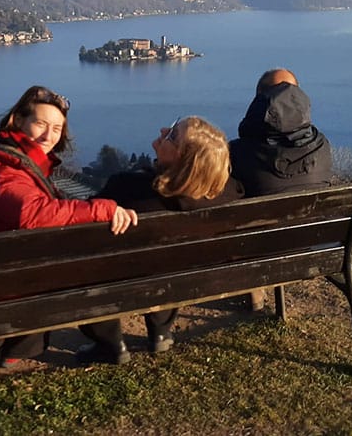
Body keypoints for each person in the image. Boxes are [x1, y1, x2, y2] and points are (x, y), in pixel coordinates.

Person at [0, 85, 138, 372]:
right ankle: (0, 345)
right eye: (41, 124)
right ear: (18, 120)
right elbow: (33, 213)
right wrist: (103, 208)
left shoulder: (8, 160)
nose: (48, 136)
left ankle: (9, 346)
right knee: (81, 265)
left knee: (57, 263)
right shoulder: (1, 170)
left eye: (56, 128)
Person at [76, 116, 244, 364]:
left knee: (86, 268)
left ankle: (110, 344)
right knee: (170, 260)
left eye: (173, 134)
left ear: (181, 159)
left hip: (121, 278)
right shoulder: (229, 192)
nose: (164, 129)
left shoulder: (128, 190)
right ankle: (161, 332)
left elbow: (83, 223)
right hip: (184, 275)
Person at [229, 69, 333, 311]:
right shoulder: (322, 147)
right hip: (313, 247)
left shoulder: (239, 153)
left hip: (258, 250)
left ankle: (254, 296)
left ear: (259, 101)